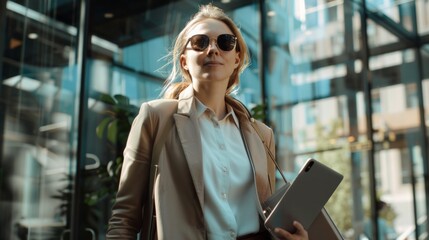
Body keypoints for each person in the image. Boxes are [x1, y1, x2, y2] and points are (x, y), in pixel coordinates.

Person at [106, 3, 308, 240]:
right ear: (184, 62)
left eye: (225, 42)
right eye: (200, 42)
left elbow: (267, 215)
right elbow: (124, 218)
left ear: (236, 59)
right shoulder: (155, 118)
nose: (213, 49)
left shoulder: (262, 135)